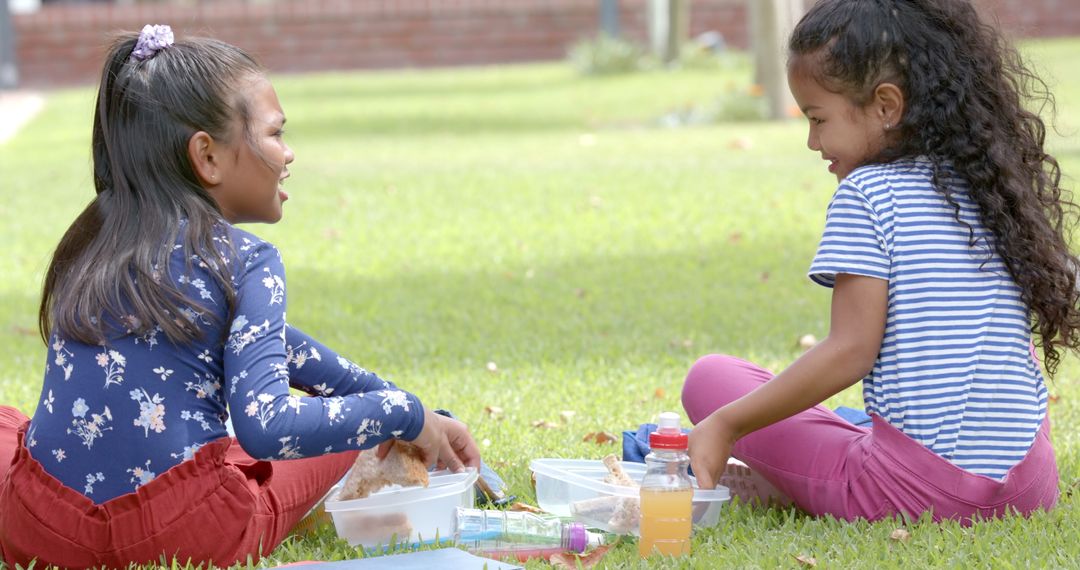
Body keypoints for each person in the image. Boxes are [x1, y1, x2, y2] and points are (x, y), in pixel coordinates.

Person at [0, 25, 480, 567]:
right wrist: (400, 412)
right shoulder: (248, 259)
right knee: (334, 437)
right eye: (277, 134)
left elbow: (282, 348)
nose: (289, 152)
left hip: (42, 528)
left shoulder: (91, 243)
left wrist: (403, 404)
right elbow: (267, 426)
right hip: (182, 530)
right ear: (206, 156)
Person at [683, 0, 1072, 523]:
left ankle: (791, 474)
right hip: (1031, 489)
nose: (812, 141)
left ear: (887, 106)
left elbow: (851, 351)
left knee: (710, 379)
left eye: (818, 119)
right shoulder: (994, 190)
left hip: (910, 496)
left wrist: (725, 425)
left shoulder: (869, 193)